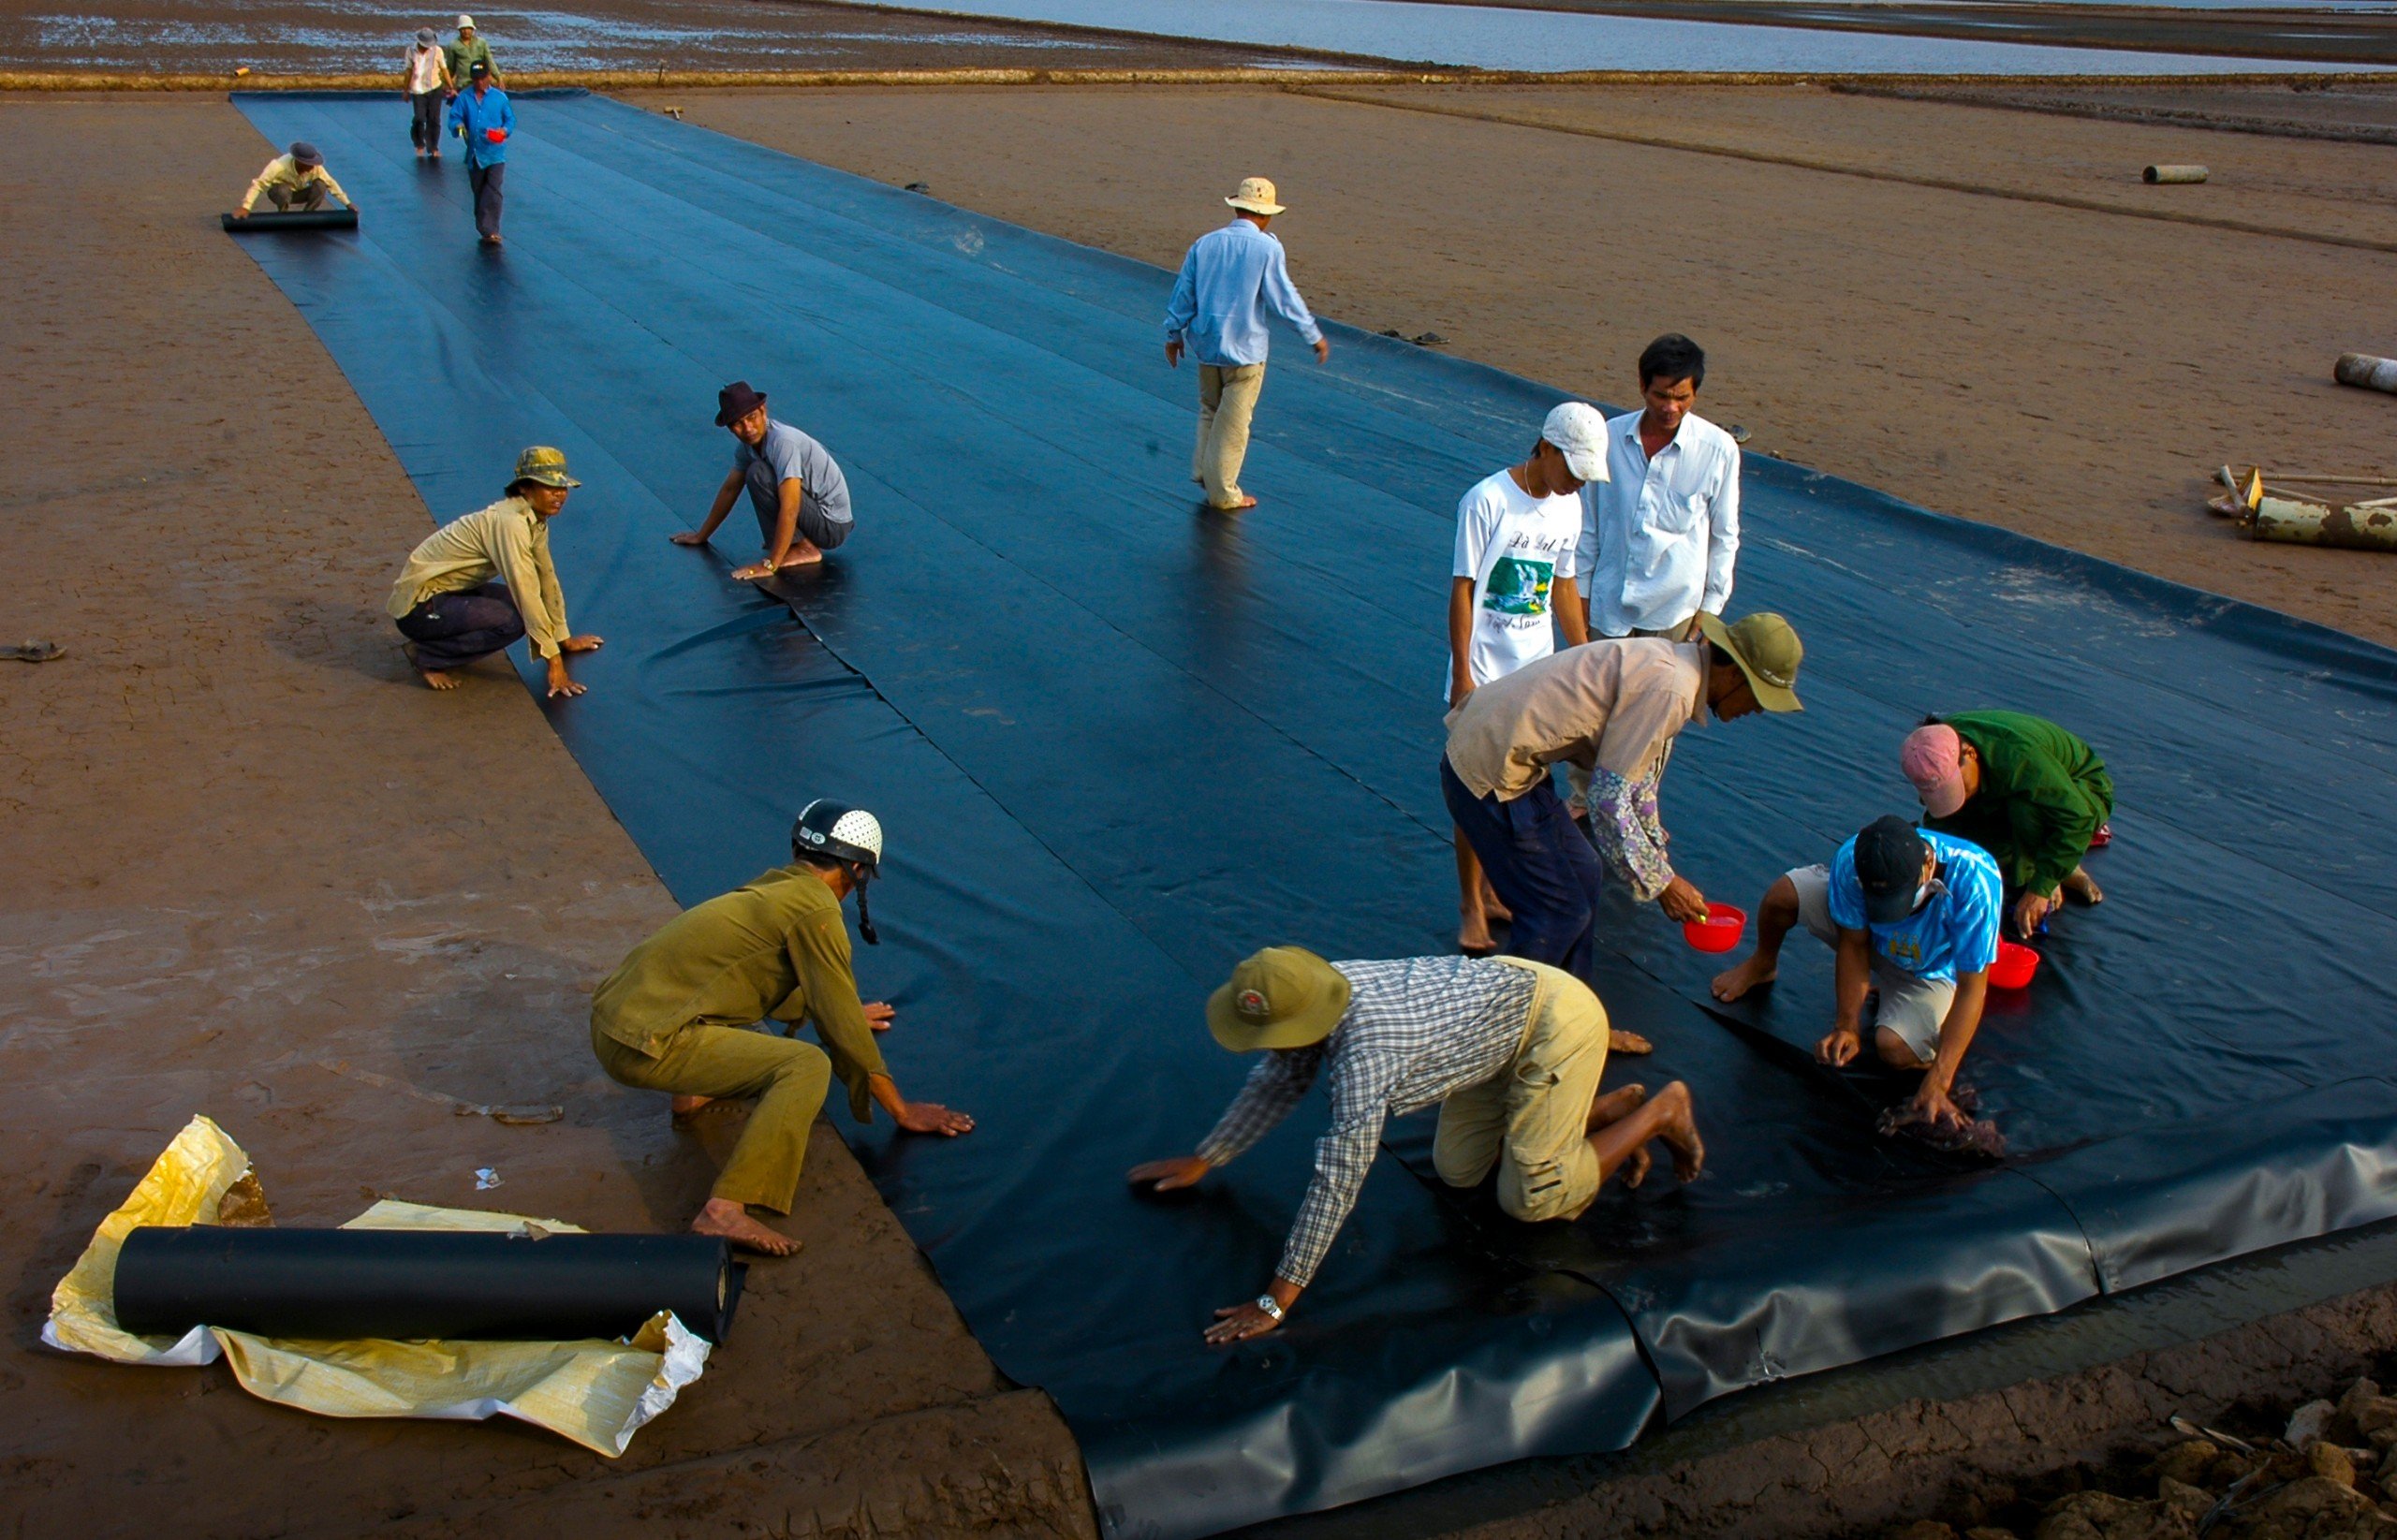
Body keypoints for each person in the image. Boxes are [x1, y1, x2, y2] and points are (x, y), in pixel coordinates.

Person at [1128, 948, 1704, 1342]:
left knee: (1531, 1199)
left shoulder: (1366, 1057)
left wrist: (1277, 1300)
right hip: (1492, 1030)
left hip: (1555, 1020)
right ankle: (1588, 1113)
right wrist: (1207, 1157)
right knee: (1457, 1171)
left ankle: (1659, 1112)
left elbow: (1339, 1179)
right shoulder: (1317, 988)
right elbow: (1278, 1081)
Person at [590, 802, 974, 1254]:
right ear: (856, 870)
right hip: (643, 1044)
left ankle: (688, 1092)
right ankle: (724, 1210)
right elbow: (841, 1032)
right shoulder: (816, 909)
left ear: (799, 848)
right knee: (805, 1065)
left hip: (617, 1022)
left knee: (737, 1001)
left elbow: (765, 976)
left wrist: (845, 1009)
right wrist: (901, 1110)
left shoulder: (776, 887)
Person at [1443, 612, 1805, 978]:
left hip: (1507, 760)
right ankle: (1507, 1020)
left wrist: (1657, 857)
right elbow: (1606, 800)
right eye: (1758, 698)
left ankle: (1572, 1014)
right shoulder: (1671, 690)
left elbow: (1639, 776)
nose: (1756, 710)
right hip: (1488, 771)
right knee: (1558, 914)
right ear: (1734, 676)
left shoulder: (1676, 666)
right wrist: (1662, 883)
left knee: (1584, 871)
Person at [1711, 816, 2003, 1133]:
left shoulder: (1976, 880)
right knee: (1784, 895)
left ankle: (1929, 1045)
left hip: (1928, 968)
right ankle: (1762, 964)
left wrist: (1940, 1081)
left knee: (1894, 1049)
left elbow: (1974, 988)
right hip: (1872, 941)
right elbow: (1853, 944)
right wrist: (1846, 1025)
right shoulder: (1853, 860)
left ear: (1927, 863)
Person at [1449, 403, 1607, 955]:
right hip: (1487, 668)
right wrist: (1463, 673)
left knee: (1524, 784)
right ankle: (1471, 902)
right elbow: (1464, 588)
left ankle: (1495, 890)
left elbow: (1562, 585)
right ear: (1545, 448)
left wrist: (1586, 657)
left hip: (1535, 669)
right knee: (1475, 785)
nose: (1577, 482)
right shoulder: (1488, 500)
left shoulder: (1569, 507)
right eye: (1572, 469)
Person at [1162, 176, 1329, 513]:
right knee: (1235, 422)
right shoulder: (1267, 248)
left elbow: (1184, 292)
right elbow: (1284, 299)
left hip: (1207, 346)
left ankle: (1205, 471)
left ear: (1237, 206)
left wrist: (1173, 333)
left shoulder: (1205, 243)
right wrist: (1313, 335)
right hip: (1246, 351)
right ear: (1265, 216)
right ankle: (1223, 491)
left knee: (1210, 409)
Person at [386, 446, 602, 695]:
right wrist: (554, 663)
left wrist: (563, 639)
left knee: (522, 606)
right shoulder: (510, 523)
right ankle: (427, 656)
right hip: (418, 609)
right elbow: (526, 591)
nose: (559, 495)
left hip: (448, 593)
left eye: (562, 488)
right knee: (514, 620)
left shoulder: (534, 519)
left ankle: (436, 644)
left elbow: (546, 578)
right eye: (549, 487)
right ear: (524, 487)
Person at [1578, 334, 1742, 643]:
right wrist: (1580, 591)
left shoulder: (1719, 451)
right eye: (1661, 396)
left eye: (1682, 398)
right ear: (1642, 386)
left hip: (1673, 614)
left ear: (1695, 393)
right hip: (1607, 606)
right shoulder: (1609, 438)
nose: (1671, 408)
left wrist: (1711, 607)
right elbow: (1589, 523)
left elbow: (1724, 535)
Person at [1902, 712, 2112, 938]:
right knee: (1961, 839)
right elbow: (1941, 822)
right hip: (2016, 788)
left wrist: (2040, 888)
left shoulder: (2020, 758)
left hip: (2080, 791)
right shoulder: (1932, 750)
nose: (1955, 796)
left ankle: (2054, 869)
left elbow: (2077, 818)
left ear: (1970, 754)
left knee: (2025, 812)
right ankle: (2051, 861)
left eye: (1956, 786)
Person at [672, 382, 853, 577]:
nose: (748, 428)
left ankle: (802, 548)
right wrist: (701, 535)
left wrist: (770, 565)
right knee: (756, 472)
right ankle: (796, 545)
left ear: (763, 411)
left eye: (751, 418)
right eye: (738, 424)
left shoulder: (782, 442)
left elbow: (791, 507)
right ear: (730, 429)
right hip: (815, 515)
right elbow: (730, 490)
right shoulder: (747, 448)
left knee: (758, 473)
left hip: (831, 525)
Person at [446, 60, 511, 244]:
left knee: (493, 189)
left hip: (496, 153)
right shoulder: (464, 98)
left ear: (489, 77)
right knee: (479, 190)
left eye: (482, 78)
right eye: (476, 79)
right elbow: (455, 117)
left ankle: (491, 229)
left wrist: (504, 131)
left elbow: (510, 120)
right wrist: (458, 126)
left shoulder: (499, 98)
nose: (479, 82)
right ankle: (483, 226)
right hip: (475, 154)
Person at [231, 141, 356, 219]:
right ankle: (283, 215)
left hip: (300, 193)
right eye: (308, 164)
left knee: (320, 185)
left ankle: (307, 216)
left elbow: (331, 183)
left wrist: (347, 203)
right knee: (282, 189)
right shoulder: (278, 166)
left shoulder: (316, 169)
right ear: (299, 161)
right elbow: (258, 185)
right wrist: (246, 207)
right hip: (280, 194)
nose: (312, 167)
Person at [403, 28, 453, 159]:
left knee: (434, 119)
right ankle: (419, 143)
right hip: (418, 90)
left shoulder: (438, 51)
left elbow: (444, 69)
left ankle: (433, 147)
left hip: (435, 88)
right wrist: (406, 90)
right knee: (419, 118)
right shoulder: (410, 51)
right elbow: (408, 71)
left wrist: (451, 86)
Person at [442, 13, 497, 90]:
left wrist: (498, 77)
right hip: (462, 85)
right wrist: (448, 84)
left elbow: (490, 61)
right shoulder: (453, 45)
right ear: (459, 30)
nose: (466, 31)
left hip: (480, 83)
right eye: (463, 28)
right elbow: (451, 67)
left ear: (472, 29)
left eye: (469, 28)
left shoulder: (481, 43)